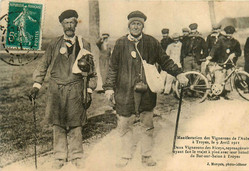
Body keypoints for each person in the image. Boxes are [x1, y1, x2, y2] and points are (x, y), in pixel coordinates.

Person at [103, 10, 188, 168]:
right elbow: (112, 68)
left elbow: (165, 61)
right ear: (129, 26)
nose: (136, 26)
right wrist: (108, 87)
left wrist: (179, 74)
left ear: (143, 26)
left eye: (139, 24)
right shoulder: (120, 43)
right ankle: (125, 154)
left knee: (147, 125)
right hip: (125, 92)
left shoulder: (151, 42)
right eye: (133, 24)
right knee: (124, 125)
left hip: (146, 91)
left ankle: (146, 155)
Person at [29, 9, 97, 169]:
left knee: (75, 124)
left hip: (76, 89)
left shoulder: (83, 44)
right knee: (58, 123)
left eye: (72, 22)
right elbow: (43, 65)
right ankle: (59, 157)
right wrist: (36, 85)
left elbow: (92, 70)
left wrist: (89, 90)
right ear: (61, 25)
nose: (69, 26)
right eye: (66, 23)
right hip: (56, 90)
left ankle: (77, 156)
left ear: (76, 24)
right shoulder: (54, 44)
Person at [208, 25, 241, 100]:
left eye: (231, 34)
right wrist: (211, 55)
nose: (229, 35)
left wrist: (234, 54)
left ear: (233, 34)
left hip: (230, 63)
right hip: (221, 62)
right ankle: (215, 94)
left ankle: (227, 93)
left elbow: (239, 52)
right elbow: (215, 48)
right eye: (228, 34)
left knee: (229, 79)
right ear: (225, 33)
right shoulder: (221, 40)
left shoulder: (236, 42)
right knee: (219, 78)